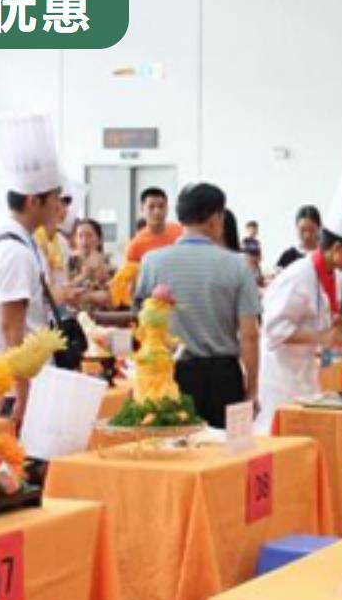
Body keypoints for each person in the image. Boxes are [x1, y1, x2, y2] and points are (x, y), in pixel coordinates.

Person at [256, 162, 342, 432]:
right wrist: (322, 337)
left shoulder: (332, 274)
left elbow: (317, 320)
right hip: (281, 378)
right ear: (337, 248)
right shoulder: (298, 276)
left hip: (305, 374)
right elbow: (273, 331)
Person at [134, 183, 261, 429]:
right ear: (214, 219)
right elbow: (250, 335)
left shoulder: (152, 262)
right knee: (224, 449)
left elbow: (142, 325)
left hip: (170, 376)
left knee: (173, 447)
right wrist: (252, 390)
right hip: (224, 377)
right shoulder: (238, 265)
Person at [0, 113, 63, 432]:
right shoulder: (15, 253)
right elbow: (11, 328)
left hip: (13, 378)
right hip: (12, 383)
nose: (59, 206)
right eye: (55, 198)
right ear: (34, 201)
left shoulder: (12, 243)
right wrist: (22, 394)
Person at [126, 188, 182, 263]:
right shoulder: (135, 246)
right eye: (151, 207)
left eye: (161, 206)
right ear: (142, 209)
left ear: (167, 208)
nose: (157, 212)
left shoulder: (181, 232)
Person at [34, 192, 73, 289]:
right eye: (58, 202)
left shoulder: (62, 241)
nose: (63, 209)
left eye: (65, 205)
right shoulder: (33, 238)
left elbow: (63, 279)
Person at [275, 205, 321, 270]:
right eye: (303, 230)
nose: (307, 235)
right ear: (296, 227)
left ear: (319, 227)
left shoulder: (326, 255)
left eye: (311, 230)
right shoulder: (288, 257)